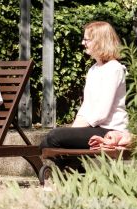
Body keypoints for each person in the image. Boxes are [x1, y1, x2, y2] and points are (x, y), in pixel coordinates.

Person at [42, 21, 128, 157]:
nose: (83, 43)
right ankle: (73, 170)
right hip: (94, 127)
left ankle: (73, 170)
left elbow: (102, 113)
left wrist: (75, 130)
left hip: (109, 129)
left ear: (100, 41)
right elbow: (86, 106)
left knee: (54, 137)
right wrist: (73, 130)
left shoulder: (114, 69)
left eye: (87, 39)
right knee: (48, 140)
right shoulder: (93, 69)